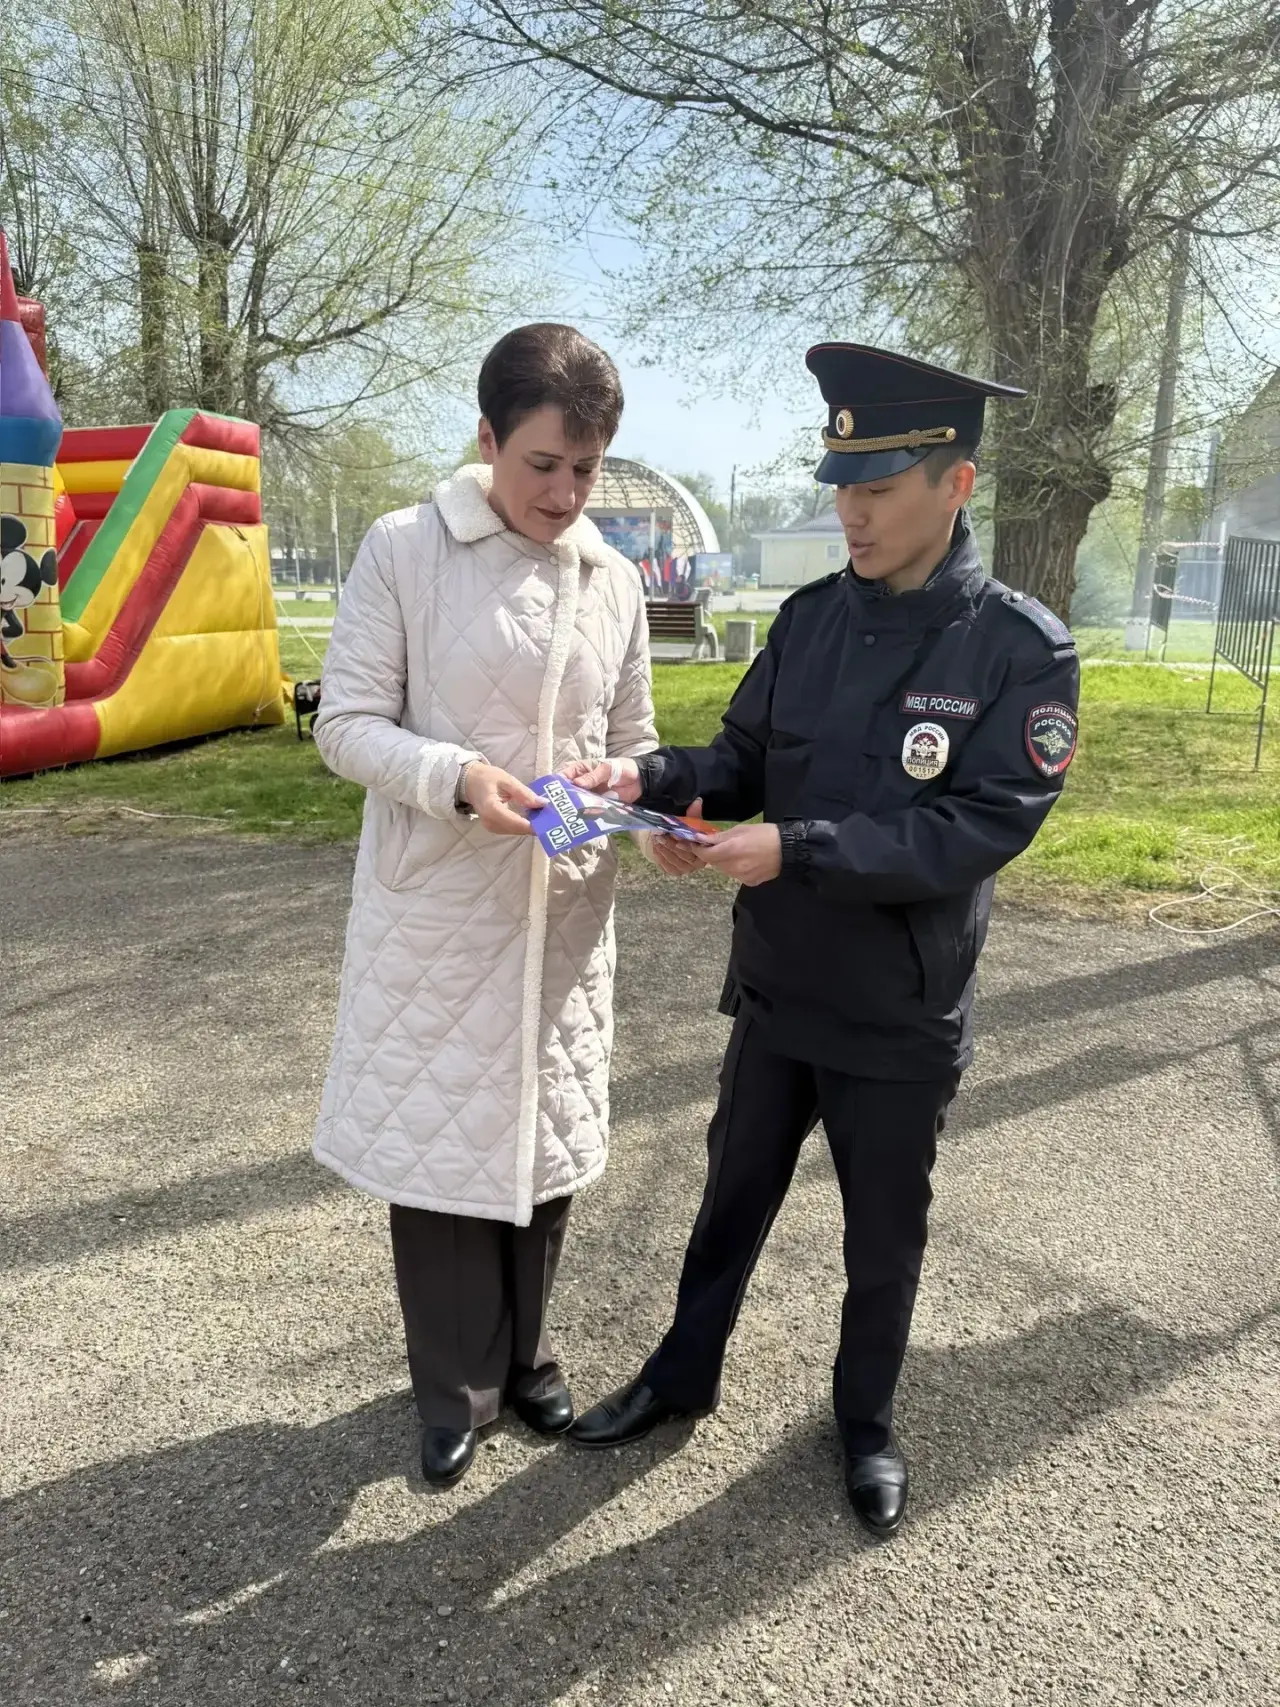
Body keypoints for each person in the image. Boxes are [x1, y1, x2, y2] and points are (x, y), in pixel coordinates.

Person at [564, 344, 1080, 1537]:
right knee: (727, 1200)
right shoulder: (807, 620)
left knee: (880, 1237)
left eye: (877, 489)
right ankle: (679, 1376)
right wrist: (651, 779)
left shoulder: (1018, 649)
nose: (850, 513)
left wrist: (794, 847)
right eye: (841, 486)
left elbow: (973, 828)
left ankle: (863, 1423)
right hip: (779, 983)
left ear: (953, 485)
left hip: (897, 1008)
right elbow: (740, 759)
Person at [311, 324, 657, 1487]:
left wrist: (621, 782)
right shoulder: (404, 547)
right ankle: (453, 1388)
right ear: (486, 439)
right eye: (541, 464)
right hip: (439, 907)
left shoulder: (612, 579)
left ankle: (527, 1359)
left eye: (585, 469)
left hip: (561, 909)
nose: (563, 493)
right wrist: (456, 776)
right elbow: (345, 726)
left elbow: (634, 737)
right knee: (441, 1144)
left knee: (542, 1134)